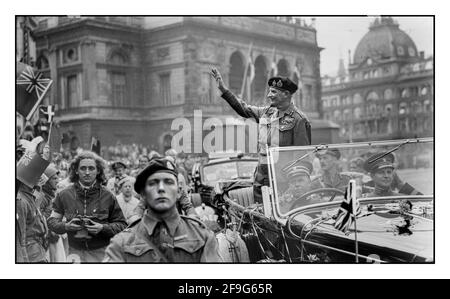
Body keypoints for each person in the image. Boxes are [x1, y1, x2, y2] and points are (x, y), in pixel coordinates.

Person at [211, 68, 311, 204]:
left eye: (274, 92)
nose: (269, 95)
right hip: (261, 178)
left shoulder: (299, 120)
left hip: (282, 182)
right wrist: (224, 90)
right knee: (259, 216)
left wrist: (294, 187)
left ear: (286, 94)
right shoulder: (267, 112)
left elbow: (301, 158)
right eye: (269, 91)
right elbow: (244, 108)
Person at [104, 157, 222, 262]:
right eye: (153, 183)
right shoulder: (122, 242)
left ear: (179, 191)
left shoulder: (202, 237)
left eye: (168, 182)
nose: (161, 188)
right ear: (143, 194)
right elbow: (135, 215)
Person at [47, 151, 127, 263]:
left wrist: (103, 228)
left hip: (101, 253)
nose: (87, 172)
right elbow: (51, 221)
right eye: (83, 168)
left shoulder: (108, 196)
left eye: (91, 168)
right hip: (73, 253)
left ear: (98, 170)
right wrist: (66, 226)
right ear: (76, 170)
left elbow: (122, 225)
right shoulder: (64, 194)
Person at [16, 182, 49, 263]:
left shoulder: (30, 195)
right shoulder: (21, 201)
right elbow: (21, 236)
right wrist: (24, 259)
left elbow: (36, 215)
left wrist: (38, 190)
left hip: (38, 250)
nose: (42, 179)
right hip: (31, 253)